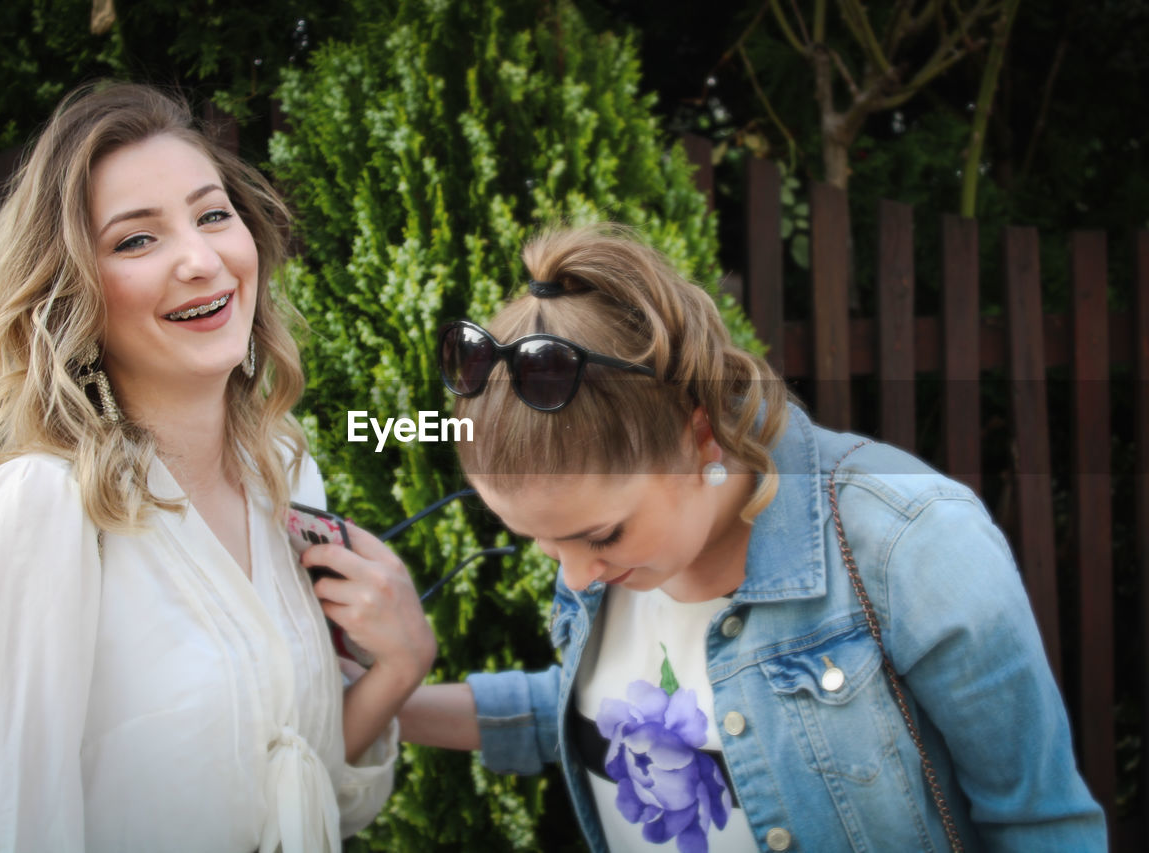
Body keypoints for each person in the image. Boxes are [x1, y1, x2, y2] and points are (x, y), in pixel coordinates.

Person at [399, 224, 1106, 851]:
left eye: (601, 536)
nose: (577, 576)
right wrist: (378, 708)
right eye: (546, 547)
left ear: (698, 430)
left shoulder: (911, 541)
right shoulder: (620, 561)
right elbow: (602, 707)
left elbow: (1042, 823)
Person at [0, 81, 435, 853]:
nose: (201, 260)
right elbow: (3, 829)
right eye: (137, 240)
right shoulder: (43, 509)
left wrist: (401, 665)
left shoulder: (288, 479)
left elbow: (308, 790)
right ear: (75, 295)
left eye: (211, 215)